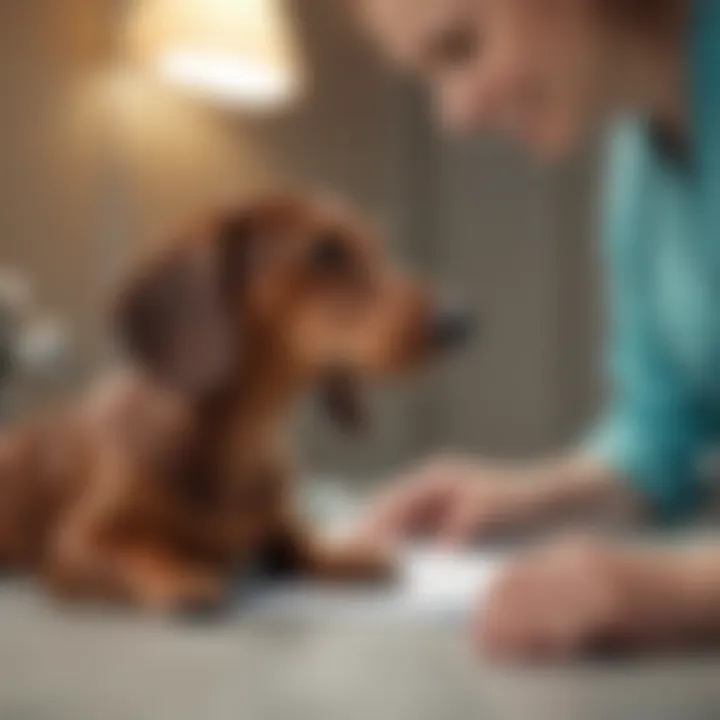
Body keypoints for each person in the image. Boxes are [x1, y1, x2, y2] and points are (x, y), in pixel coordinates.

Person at [350, 0, 720, 660]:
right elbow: (661, 431)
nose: (454, 115)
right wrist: (528, 496)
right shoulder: (639, 167)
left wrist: (680, 591)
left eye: (462, 47)